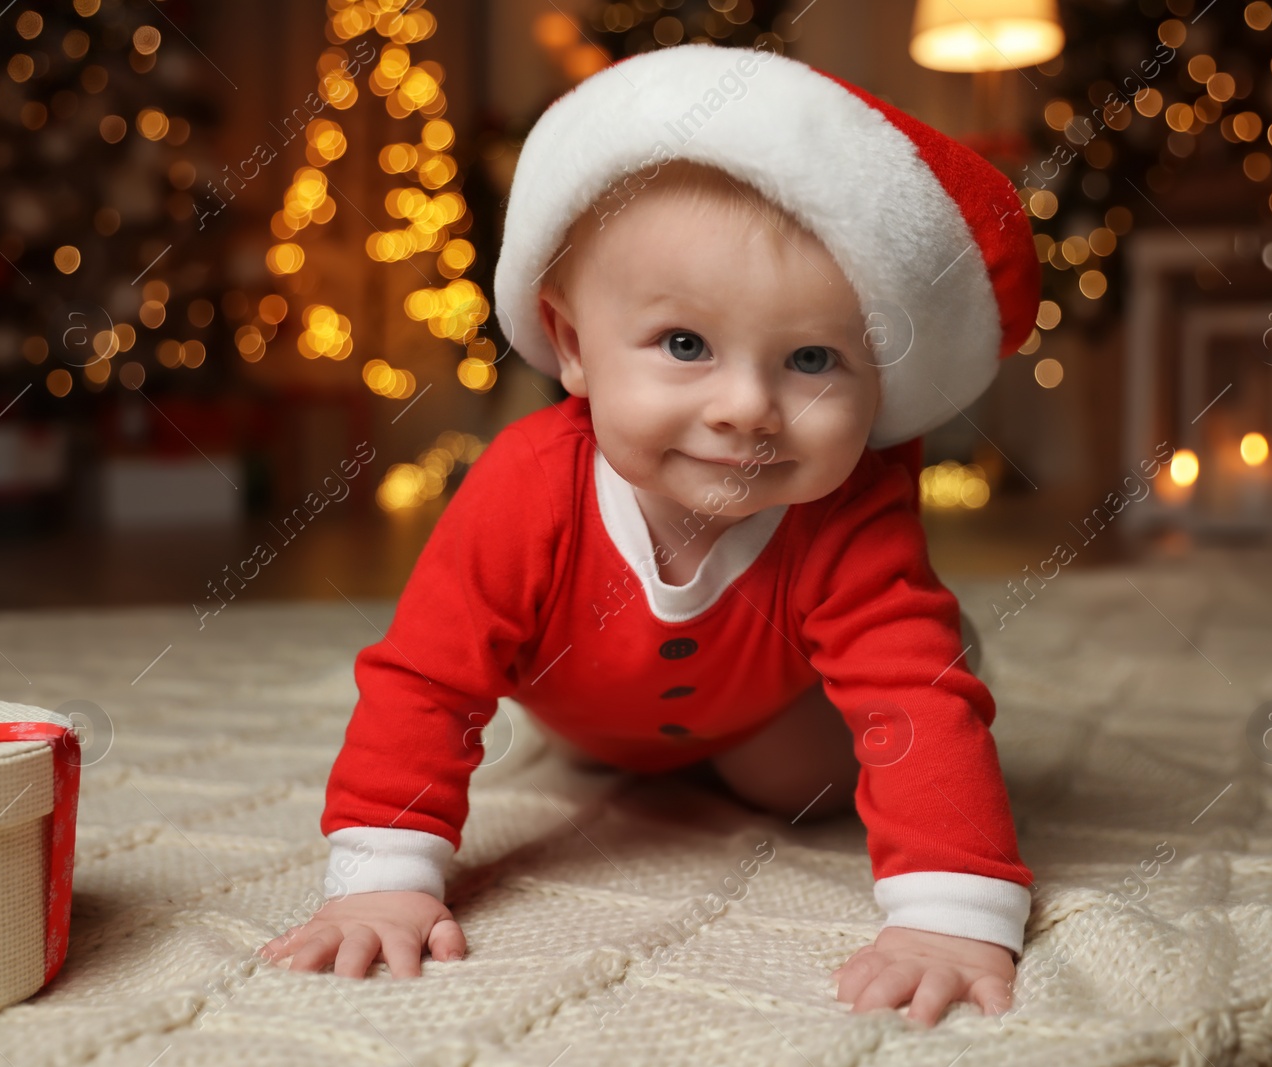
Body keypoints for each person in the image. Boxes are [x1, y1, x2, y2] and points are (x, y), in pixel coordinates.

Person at [262, 41, 1042, 1027]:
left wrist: (950, 910)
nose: (747, 408)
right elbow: (429, 677)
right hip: (582, 703)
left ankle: (943, 632)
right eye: (685, 344)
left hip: (764, 704)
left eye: (811, 358)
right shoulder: (527, 485)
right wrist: (382, 874)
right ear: (575, 347)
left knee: (800, 771)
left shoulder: (850, 508)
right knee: (585, 749)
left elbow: (908, 702)